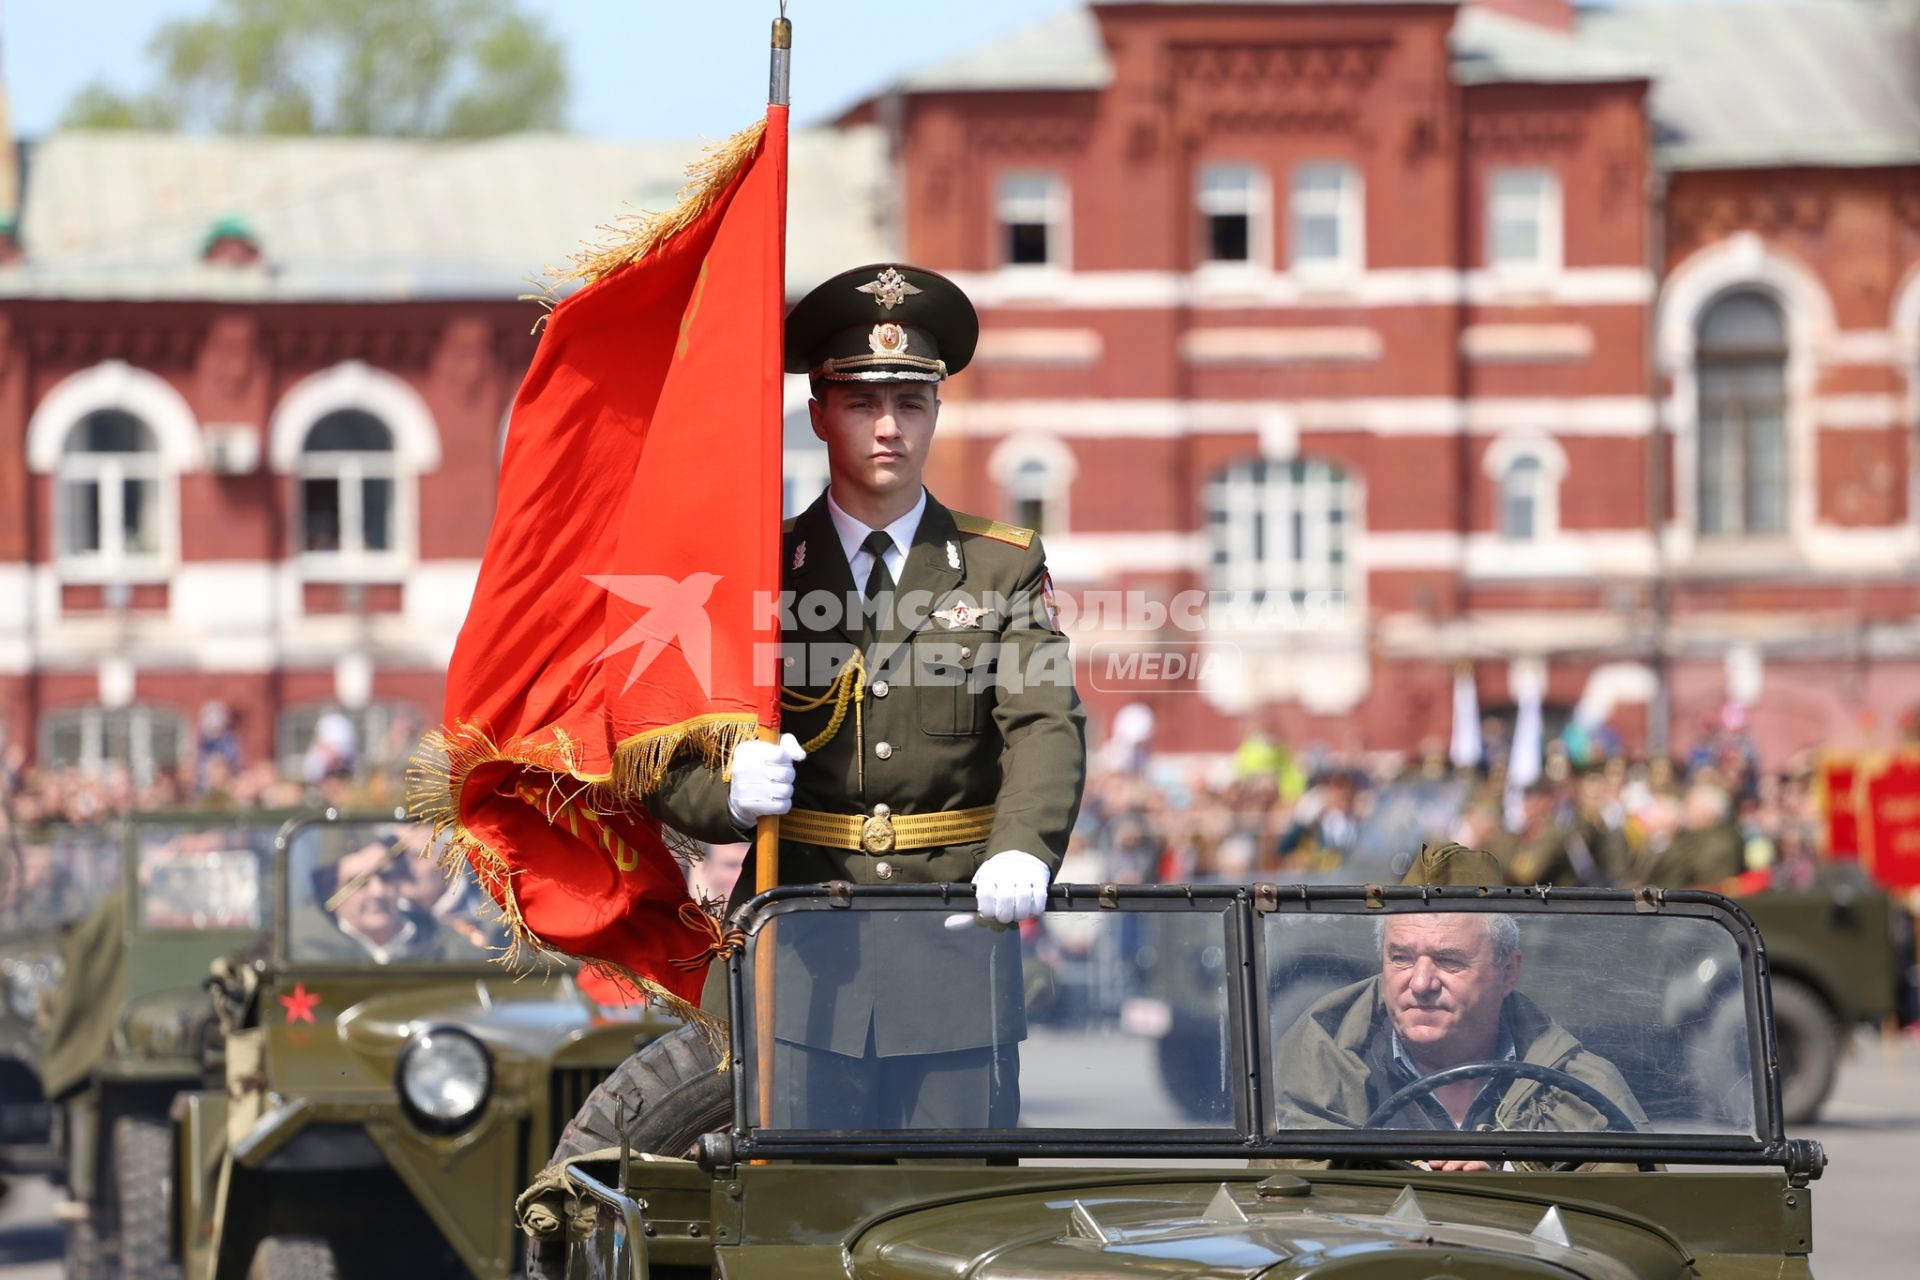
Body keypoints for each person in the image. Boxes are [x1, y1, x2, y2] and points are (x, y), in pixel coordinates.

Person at [645, 262, 1087, 1128]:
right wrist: (725, 798)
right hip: (797, 952)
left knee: (947, 1225)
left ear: (936, 413)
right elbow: (665, 743)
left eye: (911, 403)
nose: (889, 427)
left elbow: (1044, 721)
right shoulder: (759, 571)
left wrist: (1025, 847)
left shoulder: (1001, 565)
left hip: (953, 942)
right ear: (817, 415)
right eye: (860, 403)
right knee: (790, 1227)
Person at [1272, 909, 1646, 1170]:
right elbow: (1280, 1203)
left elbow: (1637, 1206)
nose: (1420, 983)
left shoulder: (1579, 1089)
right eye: (1400, 958)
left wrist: (1512, 1181)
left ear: (1509, 972)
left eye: (1449, 961)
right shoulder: (1319, 1067)